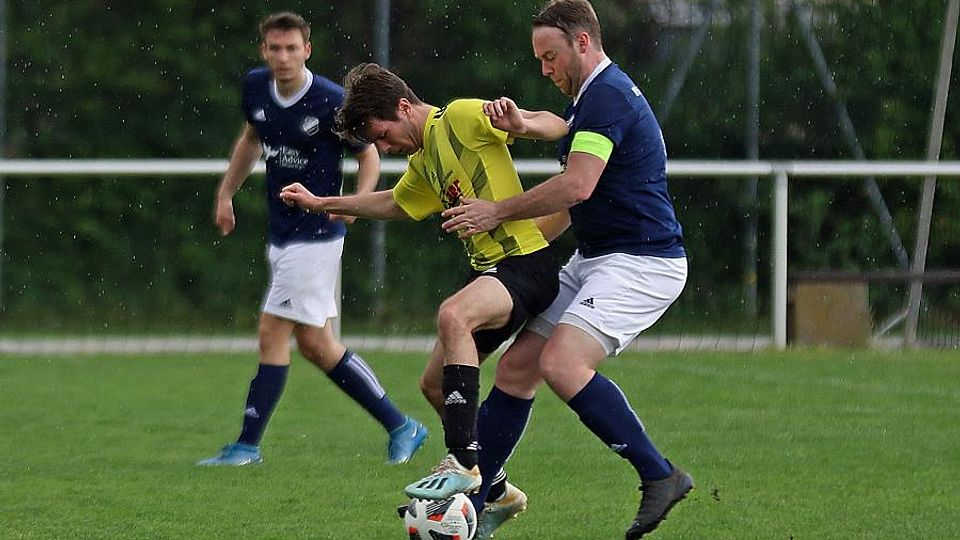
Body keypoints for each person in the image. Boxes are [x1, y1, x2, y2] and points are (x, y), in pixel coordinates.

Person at [440, 1, 694, 538]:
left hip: (642, 262)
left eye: (550, 56)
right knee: (515, 370)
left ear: (583, 43)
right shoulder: (587, 100)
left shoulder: (605, 98)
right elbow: (573, 201)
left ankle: (660, 475)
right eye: (539, 59)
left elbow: (576, 187)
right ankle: (478, 499)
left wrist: (497, 211)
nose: (544, 69)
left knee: (560, 363)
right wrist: (525, 124)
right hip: (599, 257)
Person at [279, 63, 570, 509]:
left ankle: (463, 462)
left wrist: (523, 122)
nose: (384, 147)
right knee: (433, 385)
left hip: (525, 263)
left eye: (382, 134)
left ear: (402, 107)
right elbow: (395, 202)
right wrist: (322, 203)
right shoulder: (423, 160)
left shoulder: (460, 117)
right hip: (492, 273)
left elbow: (557, 124)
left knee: (453, 314)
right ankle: (494, 489)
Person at [198, 12, 427, 467]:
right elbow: (251, 137)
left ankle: (246, 446)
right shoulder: (256, 87)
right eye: (274, 48)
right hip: (282, 232)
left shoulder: (330, 100)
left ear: (308, 50)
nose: (283, 57)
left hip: (318, 233)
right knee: (317, 346)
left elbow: (368, 156)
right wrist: (226, 192)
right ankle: (402, 425)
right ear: (263, 50)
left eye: (291, 48)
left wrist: (356, 203)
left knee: (271, 332)